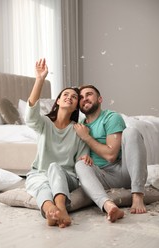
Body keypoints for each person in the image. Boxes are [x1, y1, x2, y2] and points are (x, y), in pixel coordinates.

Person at [25, 59, 91, 228]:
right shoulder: (44, 123)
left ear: (76, 106)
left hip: (67, 177)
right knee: (43, 188)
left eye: (74, 97)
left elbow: (82, 159)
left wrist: (86, 159)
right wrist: (39, 79)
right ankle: (50, 211)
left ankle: (61, 208)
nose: (70, 97)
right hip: (39, 174)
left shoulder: (78, 129)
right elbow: (30, 115)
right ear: (58, 102)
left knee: (54, 167)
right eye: (66, 95)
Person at [74, 85, 148, 222]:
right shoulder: (80, 126)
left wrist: (87, 137)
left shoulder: (111, 117)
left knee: (131, 132)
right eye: (81, 97)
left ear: (100, 99)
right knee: (80, 165)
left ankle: (137, 194)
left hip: (124, 173)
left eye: (89, 94)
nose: (85, 99)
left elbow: (111, 155)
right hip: (102, 177)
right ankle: (108, 206)